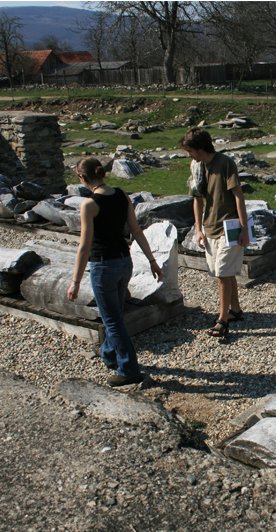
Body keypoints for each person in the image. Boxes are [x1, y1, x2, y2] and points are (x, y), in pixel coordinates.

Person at [67, 157, 163, 386]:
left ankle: (129, 369)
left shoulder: (89, 204)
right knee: (115, 313)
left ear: (82, 178)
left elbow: (84, 246)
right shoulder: (121, 195)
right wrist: (152, 260)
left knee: (112, 321)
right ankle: (108, 352)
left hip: (103, 266)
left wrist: (75, 281)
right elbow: (137, 231)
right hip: (124, 261)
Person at [181, 127, 249, 339]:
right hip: (209, 228)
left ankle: (222, 320)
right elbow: (197, 199)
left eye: (190, 151)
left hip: (230, 228)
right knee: (225, 273)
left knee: (221, 274)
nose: (188, 155)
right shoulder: (196, 167)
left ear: (200, 148)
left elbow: (238, 196)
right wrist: (198, 229)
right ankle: (235, 310)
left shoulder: (226, 163)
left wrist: (244, 229)